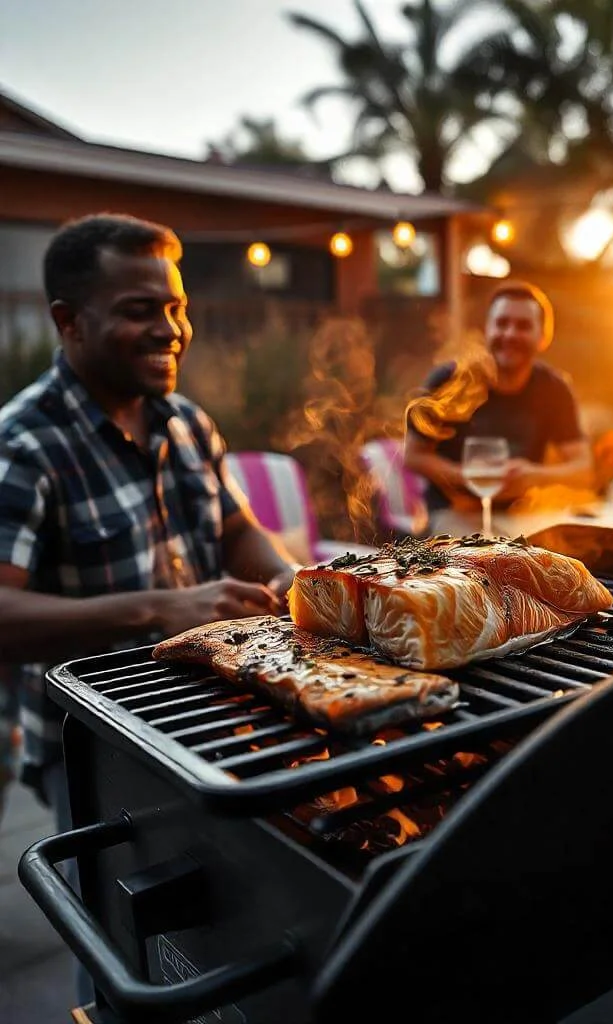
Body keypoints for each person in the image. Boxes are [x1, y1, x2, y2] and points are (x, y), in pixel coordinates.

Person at [0, 213, 298, 1001]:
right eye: (141, 309)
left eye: (176, 307)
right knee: (122, 947)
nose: (170, 329)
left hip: (211, 714)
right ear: (70, 321)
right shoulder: (24, 446)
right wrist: (161, 609)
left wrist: (297, 580)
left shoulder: (187, 423)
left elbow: (240, 531)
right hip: (93, 744)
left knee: (226, 926)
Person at [404, 280, 592, 533]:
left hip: (521, 516)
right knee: (476, 564)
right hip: (453, 514)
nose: (510, 333)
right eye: (502, 323)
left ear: (543, 336)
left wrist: (534, 475)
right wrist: (466, 476)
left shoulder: (554, 388)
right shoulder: (448, 380)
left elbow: (583, 469)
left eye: (523, 326)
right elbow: (414, 456)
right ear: (487, 330)